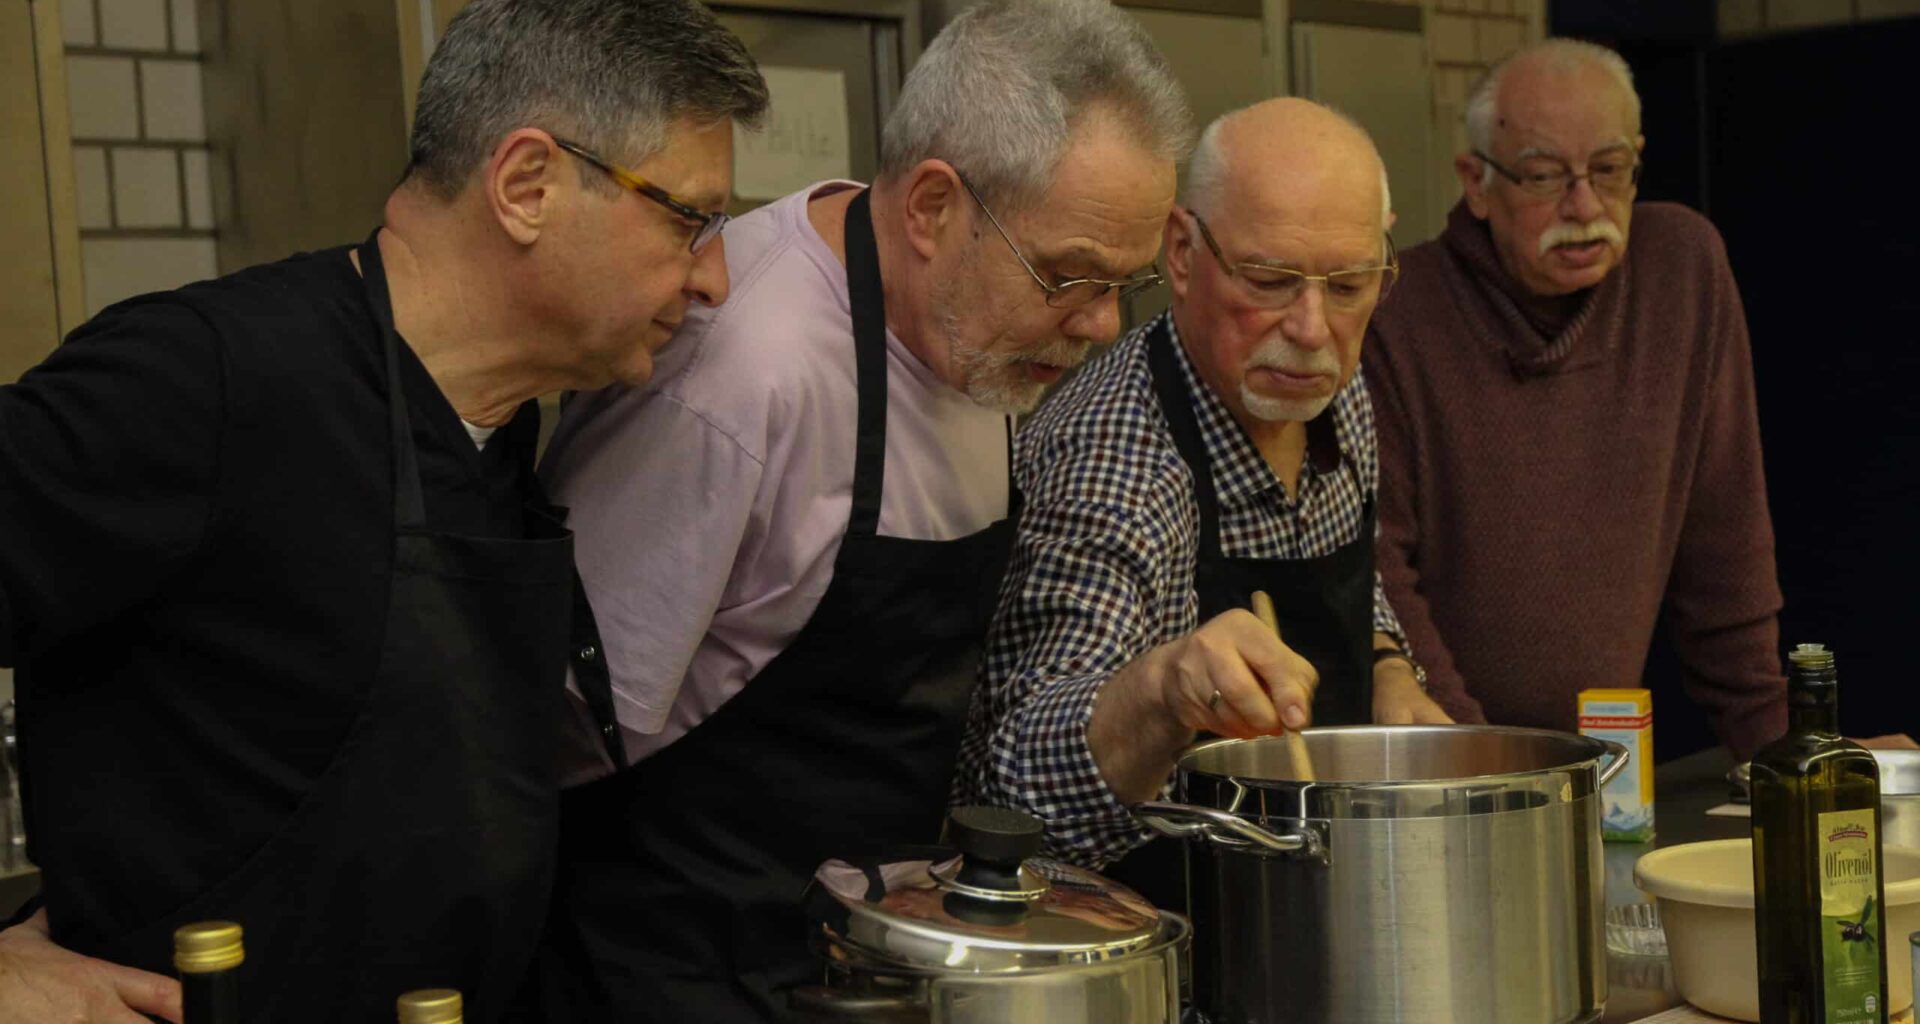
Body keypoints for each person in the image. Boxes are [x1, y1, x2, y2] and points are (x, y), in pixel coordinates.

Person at [0, 2, 766, 1021]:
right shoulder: (208, 380)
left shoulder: (501, 430)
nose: (715, 279)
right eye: (689, 220)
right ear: (527, 187)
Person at [526, 1, 1190, 1019]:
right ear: (931, 208)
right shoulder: (740, 375)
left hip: (867, 962)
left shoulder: (980, 343)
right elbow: (558, 727)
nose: (1103, 325)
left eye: (1124, 285)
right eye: (1070, 277)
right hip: (675, 967)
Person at [952, 97, 1448, 884]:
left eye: (1349, 285)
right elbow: (1014, 797)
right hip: (1165, 923)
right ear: (1182, 254)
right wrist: (1162, 691)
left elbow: (1358, 579)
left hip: (1326, 897)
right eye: (1270, 281)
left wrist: (1388, 667)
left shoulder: (1327, 388)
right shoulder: (1115, 463)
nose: (1312, 329)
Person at [1362, 38, 1789, 758]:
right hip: (1447, 763)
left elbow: (1726, 539)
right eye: (1543, 176)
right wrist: (1483, 763)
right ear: (1476, 181)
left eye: (1609, 170)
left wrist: (1775, 748)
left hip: (1602, 771)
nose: (1585, 205)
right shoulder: (1395, 311)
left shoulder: (1683, 269)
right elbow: (1381, 573)